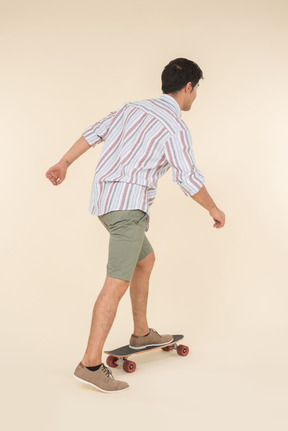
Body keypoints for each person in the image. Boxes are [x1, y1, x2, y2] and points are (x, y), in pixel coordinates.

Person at [45, 58, 225, 393]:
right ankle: (90, 364)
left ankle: (141, 333)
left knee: (146, 259)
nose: (195, 96)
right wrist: (213, 208)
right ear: (188, 87)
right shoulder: (174, 126)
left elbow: (93, 132)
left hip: (106, 203)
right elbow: (187, 177)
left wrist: (64, 162)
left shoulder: (132, 108)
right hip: (127, 209)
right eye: (196, 89)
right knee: (115, 284)